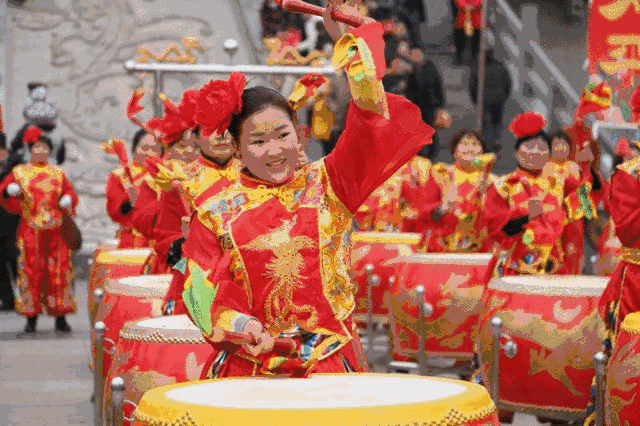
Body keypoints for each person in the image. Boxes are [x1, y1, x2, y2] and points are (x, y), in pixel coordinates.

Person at [178, 5, 433, 378]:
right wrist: (244, 325)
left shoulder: (329, 183)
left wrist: (352, 50)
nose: (274, 150)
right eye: (258, 141)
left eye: (282, 135)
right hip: (251, 367)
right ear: (237, 149)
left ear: (298, 134)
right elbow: (199, 293)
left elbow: (369, 122)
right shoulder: (215, 212)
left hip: (329, 362)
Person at [483, 112, 596, 277]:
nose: (536, 152)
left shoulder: (561, 182)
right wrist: (527, 217)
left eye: (542, 148)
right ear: (517, 153)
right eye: (529, 147)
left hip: (554, 269)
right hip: (514, 270)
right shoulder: (503, 186)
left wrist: (587, 166)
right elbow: (496, 231)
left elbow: (586, 193)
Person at [0, 126, 78, 333]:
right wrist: (8, 191)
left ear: (50, 151)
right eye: (37, 148)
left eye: (44, 148)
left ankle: (61, 317)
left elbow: (70, 192)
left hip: (56, 231)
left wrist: (67, 199)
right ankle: (31, 318)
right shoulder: (20, 172)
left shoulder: (57, 173)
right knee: (30, 272)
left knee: (58, 272)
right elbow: (4, 191)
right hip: (30, 230)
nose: (41, 151)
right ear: (30, 150)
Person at [402, 130, 494, 253]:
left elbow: (496, 220)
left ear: (482, 152)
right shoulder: (440, 174)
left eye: (475, 144)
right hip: (442, 248)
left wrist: (484, 199)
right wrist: (443, 207)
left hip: (477, 250)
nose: (470, 148)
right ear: (454, 151)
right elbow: (423, 213)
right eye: (464, 144)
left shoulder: (491, 181)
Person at [105, 129, 163, 249]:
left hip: (160, 240)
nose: (149, 153)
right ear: (134, 149)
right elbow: (114, 212)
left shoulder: (166, 176)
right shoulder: (120, 175)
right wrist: (128, 202)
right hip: (131, 240)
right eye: (144, 148)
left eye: (154, 149)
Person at [469, 49, 512, 153]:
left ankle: (486, 143)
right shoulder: (500, 66)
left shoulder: (478, 68)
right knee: (497, 122)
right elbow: (508, 82)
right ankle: (496, 141)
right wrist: (504, 96)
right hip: (498, 99)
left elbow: (472, 85)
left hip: (484, 100)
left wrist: (475, 99)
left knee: (485, 123)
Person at [0, 128, 22, 311]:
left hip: (12, 216)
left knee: (14, 256)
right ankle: (7, 300)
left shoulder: (16, 161)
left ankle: (25, 297)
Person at [452, 0, 482, 66]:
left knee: (476, 39)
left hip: (475, 16)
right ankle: (459, 56)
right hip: (462, 14)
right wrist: (465, 6)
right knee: (460, 38)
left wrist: (473, 5)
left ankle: (475, 57)